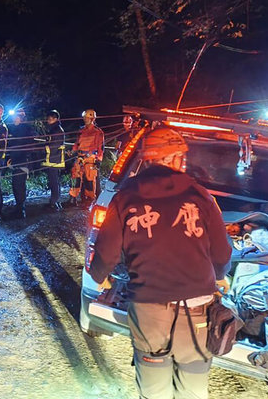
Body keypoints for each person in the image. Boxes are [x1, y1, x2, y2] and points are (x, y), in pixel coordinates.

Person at [88, 127, 232, 399]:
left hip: (148, 309)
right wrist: (221, 275)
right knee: (193, 386)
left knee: (153, 388)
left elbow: (106, 254)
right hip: (197, 310)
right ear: (175, 157)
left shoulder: (125, 197)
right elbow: (222, 253)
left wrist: (99, 277)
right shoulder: (200, 195)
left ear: (149, 159)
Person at [69, 108, 105, 205]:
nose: (85, 119)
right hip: (80, 156)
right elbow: (77, 143)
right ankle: (73, 197)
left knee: (89, 179)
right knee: (75, 176)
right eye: (84, 117)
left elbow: (100, 147)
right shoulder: (81, 131)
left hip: (91, 158)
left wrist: (98, 160)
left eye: (87, 118)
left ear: (92, 119)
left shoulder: (98, 132)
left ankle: (89, 199)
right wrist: (72, 151)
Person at [7, 107, 35, 218]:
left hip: (23, 161)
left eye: (16, 117)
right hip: (15, 160)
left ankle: (21, 209)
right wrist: (10, 157)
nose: (14, 119)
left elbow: (29, 146)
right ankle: (18, 207)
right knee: (15, 184)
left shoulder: (27, 129)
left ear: (21, 118)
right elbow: (12, 145)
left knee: (19, 185)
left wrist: (26, 159)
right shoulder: (14, 129)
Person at [41, 109, 66, 210]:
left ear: (55, 119)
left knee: (54, 181)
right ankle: (54, 201)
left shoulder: (57, 130)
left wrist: (43, 148)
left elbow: (53, 145)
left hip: (55, 159)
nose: (48, 121)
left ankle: (54, 202)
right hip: (52, 159)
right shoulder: (53, 129)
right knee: (53, 181)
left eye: (50, 119)